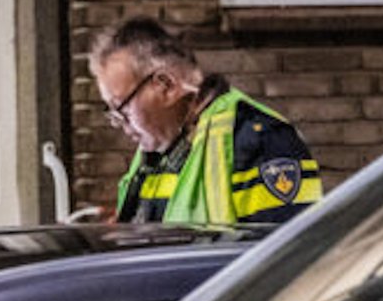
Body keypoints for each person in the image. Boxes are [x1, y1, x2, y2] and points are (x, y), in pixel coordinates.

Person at [90, 16, 321, 226]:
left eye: (122, 107)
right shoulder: (158, 151)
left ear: (166, 86)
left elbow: (287, 251)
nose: (117, 122)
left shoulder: (259, 142)